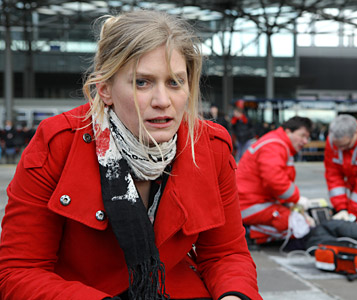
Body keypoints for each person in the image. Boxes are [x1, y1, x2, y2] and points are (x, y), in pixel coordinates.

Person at [0, 10, 261, 300]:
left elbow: (226, 254)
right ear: (105, 89)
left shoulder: (211, 146)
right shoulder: (57, 142)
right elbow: (19, 271)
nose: (163, 101)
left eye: (175, 82)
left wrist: (234, 296)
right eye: (142, 82)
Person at [236, 116, 314, 247]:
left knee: (297, 222)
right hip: (249, 205)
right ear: (288, 131)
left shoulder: (276, 143)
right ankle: (247, 232)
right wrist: (296, 199)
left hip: (251, 201)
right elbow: (274, 180)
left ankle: (249, 231)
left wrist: (290, 202)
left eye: (307, 137)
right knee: (295, 225)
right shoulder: (274, 145)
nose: (305, 141)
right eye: (302, 135)